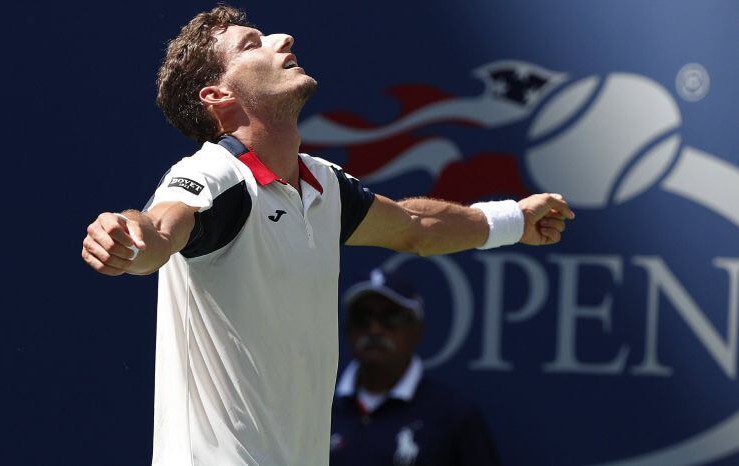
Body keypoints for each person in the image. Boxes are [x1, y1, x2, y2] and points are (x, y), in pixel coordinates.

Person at [80, 5, 575, 466]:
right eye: (252, 43)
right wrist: (129, 239)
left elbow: (415, 228)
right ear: (219, 95)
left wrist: (513, 220)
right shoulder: (216, 175)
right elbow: (162, 231)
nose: (283, 38)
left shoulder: (323, 184)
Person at [330, 269, 500, 466]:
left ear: (417, 330)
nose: (375, 330)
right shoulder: (318, 406)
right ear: (347, 328)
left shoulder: (452, 415)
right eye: (363, 319)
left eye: (390, 318)